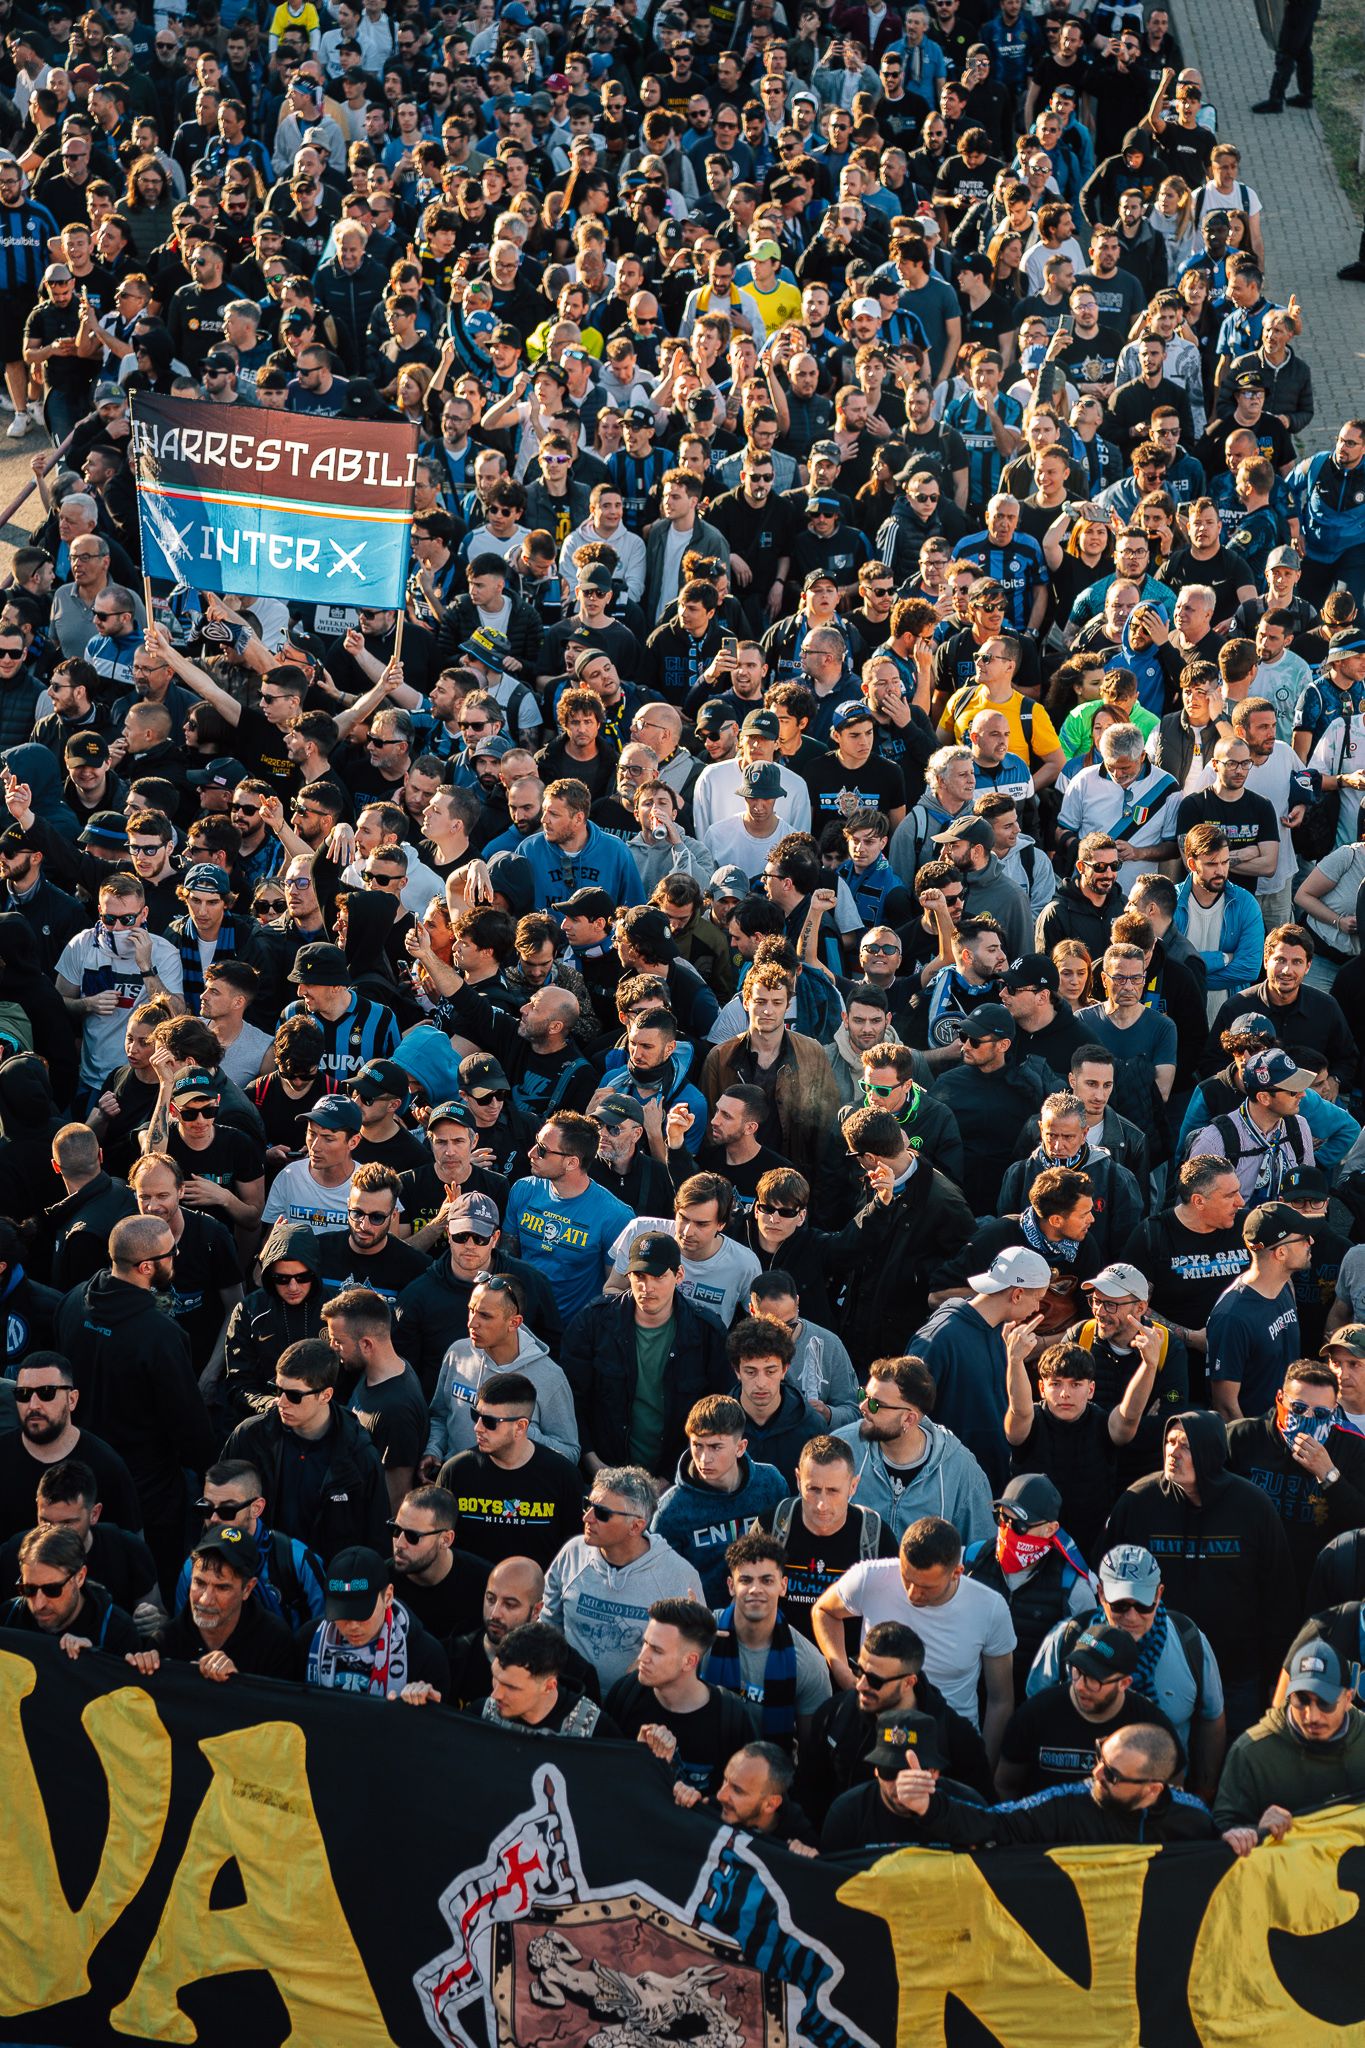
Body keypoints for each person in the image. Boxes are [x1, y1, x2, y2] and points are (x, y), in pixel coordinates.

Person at [1104, 1411, 1298, 1734]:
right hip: (1152, 1668)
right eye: (1169, 1442)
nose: (1172, 1453)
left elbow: (1280, 1598)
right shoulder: (1139, 1501)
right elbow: (1104, 1575)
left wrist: (1274, 1675)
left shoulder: (1252, 1506)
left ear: (1210, 1451)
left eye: (1185, 1446)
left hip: (1237, 1673)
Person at [1028, 1543, 1228, 1801]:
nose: (1131, 1616)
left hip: (1161, 1802)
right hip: (1077, 1800)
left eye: (1144, 1604)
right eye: (1120, 1604)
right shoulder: (1067, 1639)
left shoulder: (1190, 1642)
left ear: (1159, 1594)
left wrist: (1204, 1791)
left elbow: (1212, 1717)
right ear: (1100, 1594)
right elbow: (1033, 1718)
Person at [812, 1514, 1016, 1762]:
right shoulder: (870, 1578)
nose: (912, 1593)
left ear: (957, 1573)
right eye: (906, 1578)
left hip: (948, 1744)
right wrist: (844, 1674)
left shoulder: (990, 1608)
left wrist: (985, 1766)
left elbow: (1000, 1700)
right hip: (874, 1733)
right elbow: (823, 1611)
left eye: (926, 1587)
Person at [542, 1464, 705, 1689]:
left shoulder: (677, 1575)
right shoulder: (572, 1553)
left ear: (636, 1526)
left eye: (602, 1513)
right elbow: (548, 1625)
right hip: (569, 1696)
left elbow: (694, 1650)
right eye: (587, 1505)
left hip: (639, 1707)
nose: (588, 1518)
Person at [910, 1246, 1051, 1492]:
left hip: (990, 1483)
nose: (1037, 1308)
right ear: (1017, 1294)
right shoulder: (939, 1339)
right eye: (1037, 1298)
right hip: (949, 1489)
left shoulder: (1000, 1331)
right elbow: (908, 1417)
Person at [995, 1622, 1180, 1797]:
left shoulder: (1151, 1725)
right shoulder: (1035, 1713)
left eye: (1094, 1679)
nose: (1081, 1686)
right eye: (1077, 1671)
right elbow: (1006, 1784)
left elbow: (1174, 1794)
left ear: (1124, 1683)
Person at [1214, 1639, 1365, 1842]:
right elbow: (1221, 1831)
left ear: (1348, 1699)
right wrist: (1256, 1829)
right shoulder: (1250, 1752)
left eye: (1325, 1703)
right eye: (1300, 1700)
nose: (1312, 1716)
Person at [832, 1355, 993, 1544]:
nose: (863, 1407)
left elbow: (981, 1552)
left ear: (909, 1419)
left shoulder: (960, 1470)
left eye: (876, 1404)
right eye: (863, 1395)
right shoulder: (841, 1448)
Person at [435, 1370, 582, 1570]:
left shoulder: (563, 1476)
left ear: (521, 1427)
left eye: (489, 1421)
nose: (477, 1427)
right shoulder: (455, 1472)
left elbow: (573, 1555)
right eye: (475, 1415)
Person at [652, 1395, 790, 1604]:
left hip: (766, 1611)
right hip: (701, 1622)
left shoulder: (771, 1484)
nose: (704, 1458)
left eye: (716, 1447)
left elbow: (787, 1549)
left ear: (740, 1447)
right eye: (698, 1445)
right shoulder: (672, 1509)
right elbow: (660, 1581)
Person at [701, 1532, 832, 1750]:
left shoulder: (808, 1664)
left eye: (767, 1580)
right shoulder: (701, 1635)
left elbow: (813, 1751)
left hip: (772, 1774)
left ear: (783, 1586)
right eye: (745, 1580)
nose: (755, 1589)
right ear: (731, 1586)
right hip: (702, 1769)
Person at [131, 1525, 299, 1681]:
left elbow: (281, 1710)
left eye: (222, 1587)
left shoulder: (276, 1644)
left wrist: (238, 1684)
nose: (205, 1599)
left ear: (247, 1589)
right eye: (199, 1583)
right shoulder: (164, 1643)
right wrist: (140, 1670)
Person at [299, 1542, 449, 1703]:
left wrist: (426, 1704)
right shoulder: (306, 1640)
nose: (353, 1625)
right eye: (342, 1613)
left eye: (363, 1613)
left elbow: (440, 1724)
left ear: (388, 1597)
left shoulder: (426, 1655)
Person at [1206, 1201, 1312, 1421]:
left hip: (1289, 1429)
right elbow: (1225, 1406)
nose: (1311, 1242)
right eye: (1303, 1239)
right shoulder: (1232, 1317)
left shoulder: (1284, 1286)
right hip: (1258, 1445)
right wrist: (1253, 1449)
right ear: (1281, 1253)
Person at [0, 1523, 141, 1658]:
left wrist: (95, 1660)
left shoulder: (117, 1632)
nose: (39, 1604)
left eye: (52, 1590)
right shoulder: (7, 1618)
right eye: (28, 1589)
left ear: (80, 1577)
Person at [481, 1619, 620, 1738]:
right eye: (496, 1679)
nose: (495, 1695)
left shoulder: (594, 1731)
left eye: (511, 1687)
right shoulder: (483, 1715)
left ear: (549, 1686)